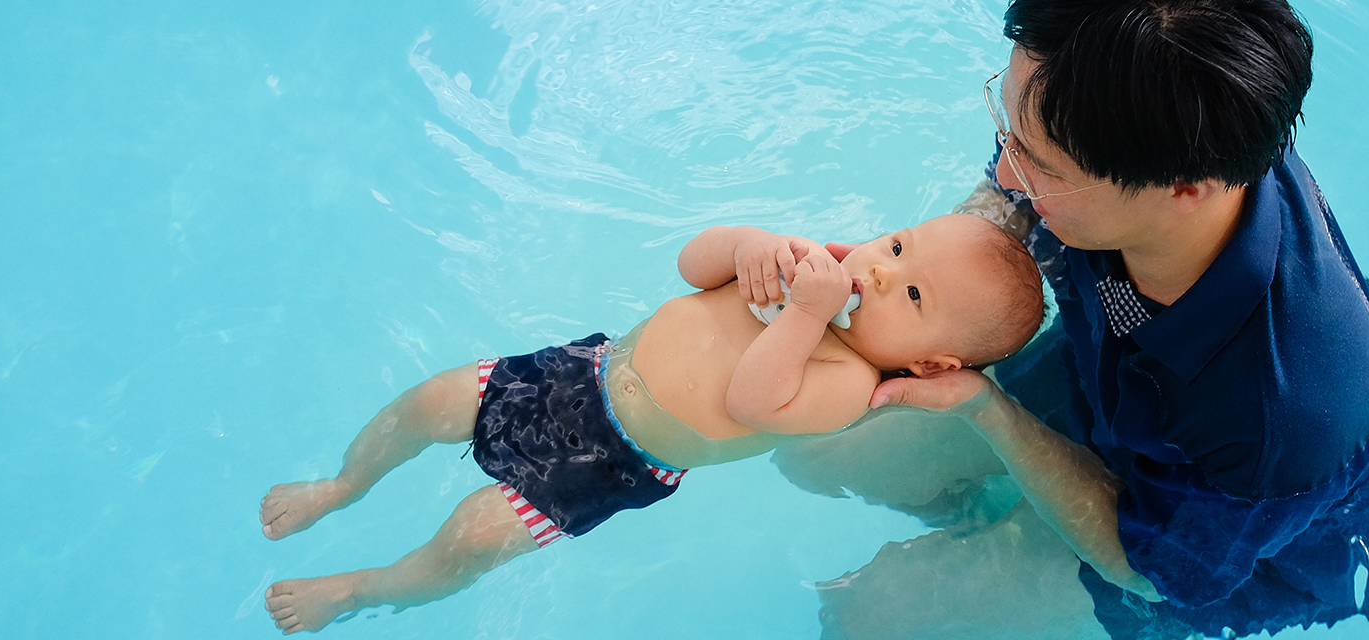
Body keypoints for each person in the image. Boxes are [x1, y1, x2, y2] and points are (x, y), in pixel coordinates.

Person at [773, 1, 1369, 638]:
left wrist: (988, 411)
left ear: (1184, 188)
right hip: (1105, 371)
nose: (1006, 171)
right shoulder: (1145, 109)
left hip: (1208, 517)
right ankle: (985, 516)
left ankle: (1005, 532)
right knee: (810, 449)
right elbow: (1008, 194)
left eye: (1037, 161)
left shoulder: (1276, 415)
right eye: (1010, 130)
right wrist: (914, 276)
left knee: (868, 616)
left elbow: (1155, 575)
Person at [255, 214, 1048, 634]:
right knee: (430, 401)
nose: (879, 268)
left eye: (910, 295)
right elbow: (691, 266)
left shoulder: (845, 382)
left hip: (612, 461)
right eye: (899, 244)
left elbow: (752, 401)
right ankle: (342, 485)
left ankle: (356, 590)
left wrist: (803, 315)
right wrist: (750, 245)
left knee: (470, 539)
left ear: (935, 365)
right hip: (582, 373)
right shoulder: (801, 266)